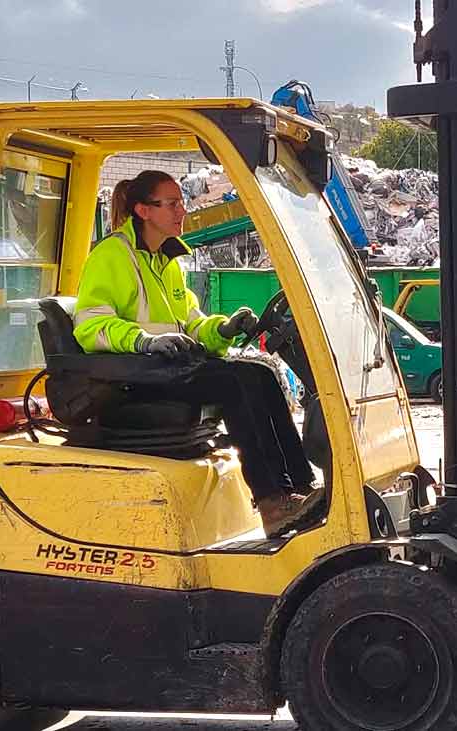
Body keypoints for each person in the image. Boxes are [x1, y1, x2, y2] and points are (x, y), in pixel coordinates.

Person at [74, 170, 323, 538]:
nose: (182, 211)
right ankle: (271, 501)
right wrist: (143, 340)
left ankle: (300, 486)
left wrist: (221, 329)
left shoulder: (166, 262)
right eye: (172, 203)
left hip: (168, 369)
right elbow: (90, 325)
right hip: (134, 379)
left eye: (181, 202)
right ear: (144, 210)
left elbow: (191, 323)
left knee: (261, 373)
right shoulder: (111, 256)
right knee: (232, 383)